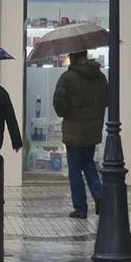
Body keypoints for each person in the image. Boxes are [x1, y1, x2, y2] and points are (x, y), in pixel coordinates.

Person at [52, 51, 108, 219]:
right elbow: (107, 100)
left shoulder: (67, 78)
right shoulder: (100, 77)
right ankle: (98, 193)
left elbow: (59, 107)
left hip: (74, 133)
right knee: (88, 162)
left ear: (74, 57)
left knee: (75, 170)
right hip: (93, 130)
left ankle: (81, 208)